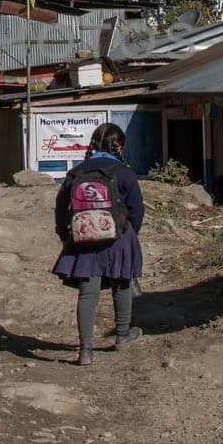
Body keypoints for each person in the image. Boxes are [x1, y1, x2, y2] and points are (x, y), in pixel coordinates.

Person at [51, 123, 144, 366]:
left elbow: (61, 208)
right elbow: (137, 210)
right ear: (119, 146)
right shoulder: (124, 172)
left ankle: (85, 351)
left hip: (84, 240)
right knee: (122, 284)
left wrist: (65, 235)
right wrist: (129, 235)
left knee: (87, 293)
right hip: (119, 238)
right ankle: (122, 336)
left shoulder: (76, 172)